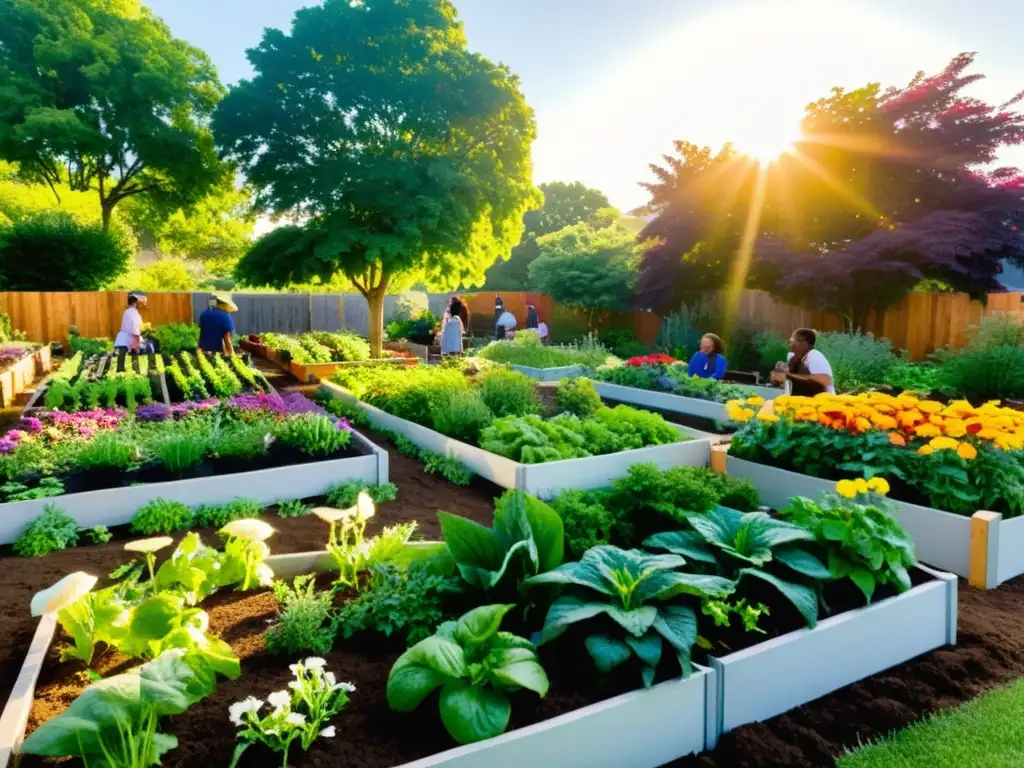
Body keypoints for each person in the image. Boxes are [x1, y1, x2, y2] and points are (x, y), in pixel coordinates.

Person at [776, 327, 835, 395]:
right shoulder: (794, 358)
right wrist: (778, 373)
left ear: (803, 343)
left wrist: (787, 374)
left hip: (824, 401)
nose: (789, 344)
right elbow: (778, 380)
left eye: (791, 341)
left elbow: (826, 381)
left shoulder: (814, 355)